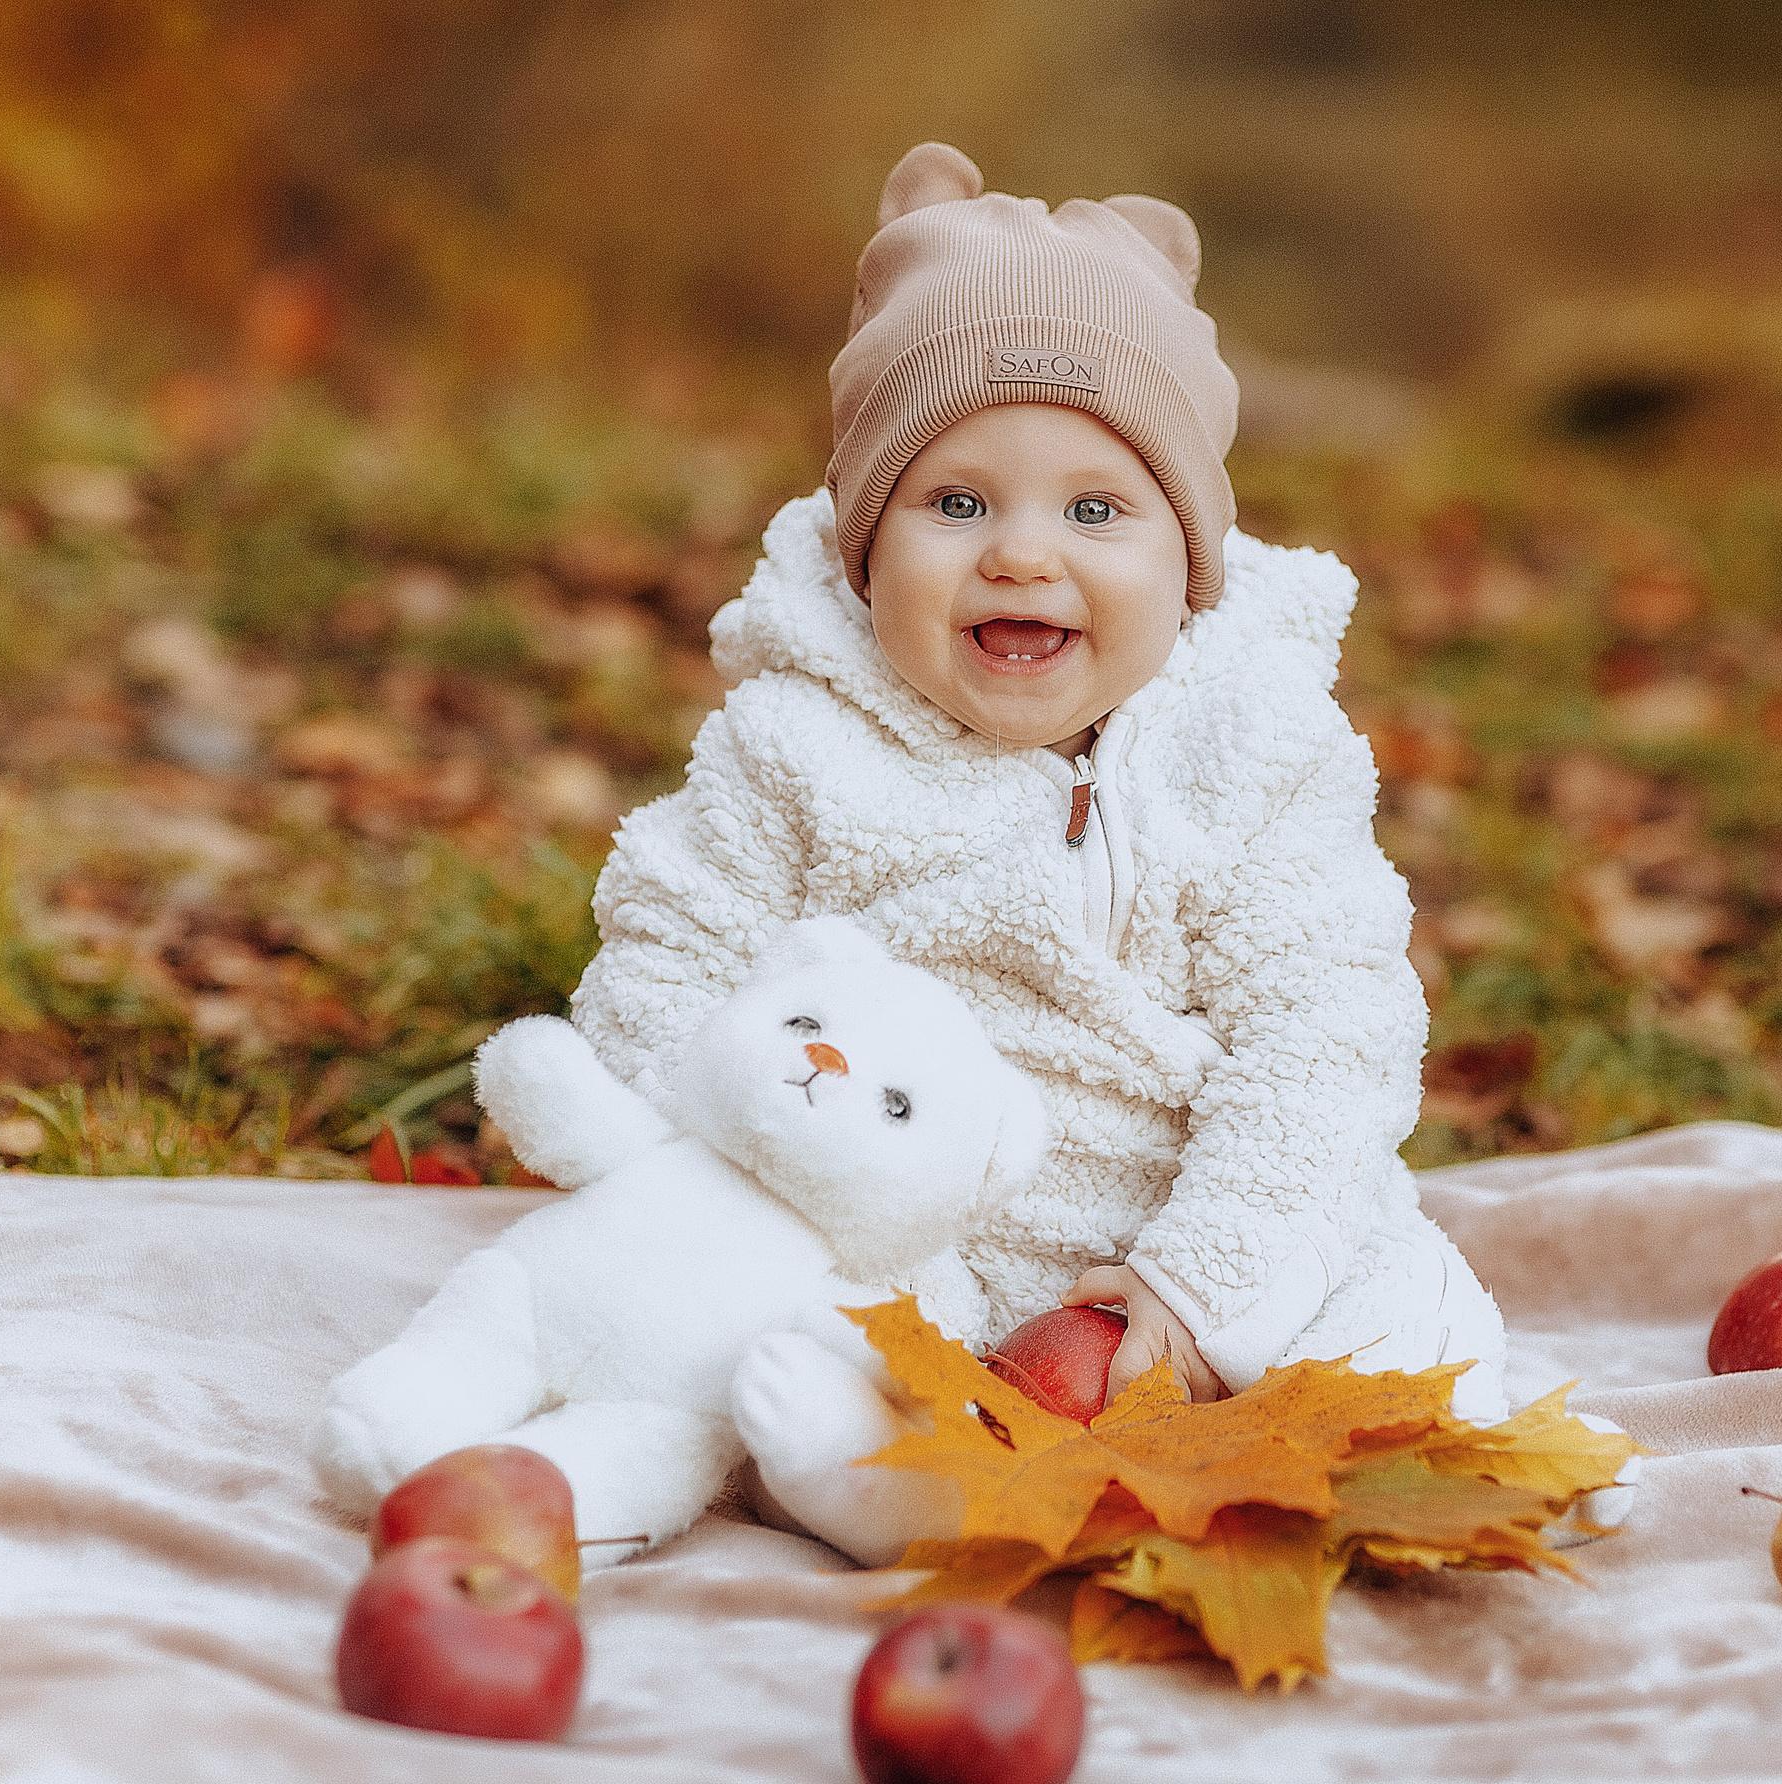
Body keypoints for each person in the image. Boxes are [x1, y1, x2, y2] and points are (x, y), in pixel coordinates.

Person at [568, 142, 1509, 1558]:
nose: (1020, 554)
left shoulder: (1252, 748)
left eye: (1094, 509)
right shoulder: (796, 745)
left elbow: (1330, 1028)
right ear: (864, 545)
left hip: (1180, 1225)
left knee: (1407, 1330)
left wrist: (1199, 1290)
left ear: (1186, 559)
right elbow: (664, 963)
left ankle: (1359, 1443)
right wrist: (713, 1155)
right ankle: (891, 1477)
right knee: (752, 1343)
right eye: (955, 503)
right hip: (891, 1231)